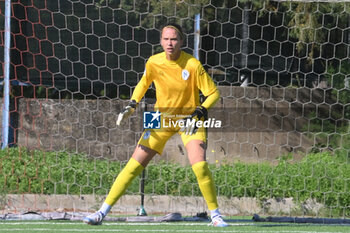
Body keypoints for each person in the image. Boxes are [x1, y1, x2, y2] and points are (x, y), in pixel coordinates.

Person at [83, 23, 228, 227]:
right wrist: (131, 105)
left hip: (189, 120)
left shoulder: (192, 64)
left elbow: (214, 93)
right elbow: (143, 83)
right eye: (166, 39)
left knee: (200, 166)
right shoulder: (153, 62)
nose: (170, 43)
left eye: (174, 39)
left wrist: (199, 111)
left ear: (181, 41)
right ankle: (101, 212)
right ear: (160, 41)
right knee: (133, 165)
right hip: (160, 118)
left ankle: (215, 215)